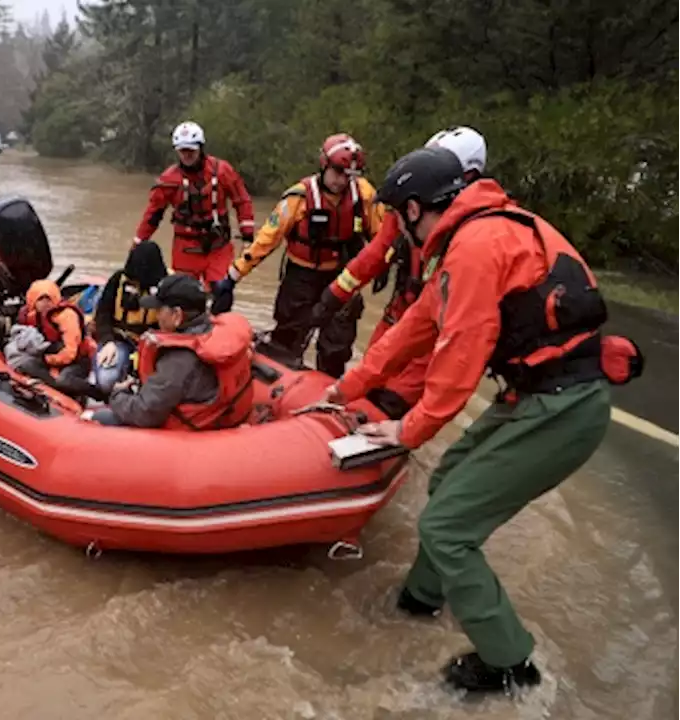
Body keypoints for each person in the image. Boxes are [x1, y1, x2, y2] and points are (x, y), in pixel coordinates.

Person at [325, 146, 641, 694]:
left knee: (446, 528)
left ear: (418, 208)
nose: (400, 231)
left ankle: (510, 664)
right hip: (541, 396)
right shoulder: (477, 237)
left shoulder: (472, 249)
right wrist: (343, 388)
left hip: (561, 406)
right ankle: (421, 600)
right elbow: (413, 330)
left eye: (401, 217)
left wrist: (405, 430)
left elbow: (456, 365)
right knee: (448, 481)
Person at [311, 126, 488, 418]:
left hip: (433, 326)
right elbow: (375, 253)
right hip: (402, 310)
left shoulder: (471, 239)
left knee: (393, 399)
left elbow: (460, 342)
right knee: (368, 377)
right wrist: (334, 294)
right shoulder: (412, 207)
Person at [210, 133, 383, 377]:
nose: (342, 181)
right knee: (287, 340)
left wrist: (384, 265)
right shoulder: (298, 198)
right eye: (338, 172)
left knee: (336, 346)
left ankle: (328, 392)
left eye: (349, 175)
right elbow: (265, 241)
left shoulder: (363, 195)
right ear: (324, 165)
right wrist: (232, 277)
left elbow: (383, 235)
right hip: (300, 278)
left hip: (341, 277)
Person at [86, 273, 255, 429]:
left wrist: (117, 394)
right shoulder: (215, 334)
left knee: (99, 417)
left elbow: (145, 413)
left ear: (177, 315)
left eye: (160, 310)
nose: (156, 316)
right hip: (219, 414)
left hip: (189, 429)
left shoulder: (178, 359)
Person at [132, 121, 256, 287]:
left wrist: (248, 237)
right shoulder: (169, 180)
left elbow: (242, 201)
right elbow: (153, 214)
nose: (187, 155)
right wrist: (138, 242)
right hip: (186, 247)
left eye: (191, 150)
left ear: (200, 148)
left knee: (220, 292)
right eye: (183, 151)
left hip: (218, 245)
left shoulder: (222, 171)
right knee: (184, 295)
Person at [91, 240, 169, 395]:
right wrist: (107, 341)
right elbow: (102, 314)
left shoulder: (168, 285)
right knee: (106, 381)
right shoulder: (118, 280)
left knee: (160, 385)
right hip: (119, 340)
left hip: (154, 345)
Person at [14, 279, 97, 398]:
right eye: (40, 299)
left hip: (77, 359)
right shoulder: (33, 315)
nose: (45, 303)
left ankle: (97, 393)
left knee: (64, 381)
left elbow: (70, 353)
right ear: (33, 301)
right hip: (54, 356)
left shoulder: (67, 316)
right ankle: (57, 386)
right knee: (25, 364)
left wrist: (48, 361)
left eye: (48, 299)